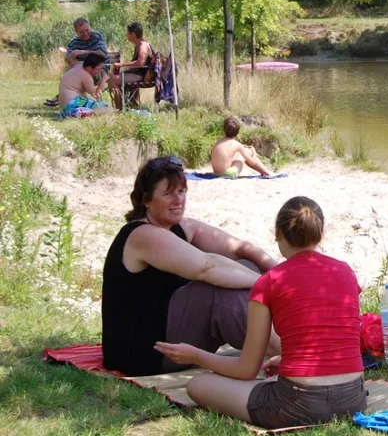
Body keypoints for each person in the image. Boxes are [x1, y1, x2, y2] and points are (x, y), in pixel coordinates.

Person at [156, 196, 366, 430]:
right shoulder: (346, 272)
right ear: (320, 232)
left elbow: (246, 370)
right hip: (354, 399)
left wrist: (195, 356)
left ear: (277, 233)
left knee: (198, 384)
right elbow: (334, 339)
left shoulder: (270, 282)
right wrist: (287, 360)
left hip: (296, 405)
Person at [101, 157, 281, 377]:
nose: (178, 200)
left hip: (171, 333)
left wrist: (284, 274)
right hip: (143, 353)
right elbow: (207, 268)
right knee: (218, 293)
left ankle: (295, 335)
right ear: (146, 200)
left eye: (182, 191)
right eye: (168, 194)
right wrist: (272, 284)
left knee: (248, 265)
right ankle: (295, 351)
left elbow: (241, 248)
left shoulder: (183, 227)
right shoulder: (142, 235)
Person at [45, 17, 108, 107]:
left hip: (96, 69)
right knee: (75, 73)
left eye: (87, 30)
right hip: (83, 69)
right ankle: (66, 97)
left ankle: (62, 97)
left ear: (90, 27)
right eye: (82, 32)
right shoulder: (74, 42)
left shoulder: (96, 37)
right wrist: (72, 60)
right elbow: (68, 57)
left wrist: (83, 52)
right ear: (76, 32)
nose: (85, 33)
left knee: (76, 75)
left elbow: (102, 54)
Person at [108, 21, 154, 109]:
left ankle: (120, 108)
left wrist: (122, 64)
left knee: (110, 78)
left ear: (132, 33)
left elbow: (140, 63)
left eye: (127, 33)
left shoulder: (142, 46)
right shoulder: (139, 44)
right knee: (114, 76)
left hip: (142, 76)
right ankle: (130, 103)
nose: (127, 35)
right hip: (138, 74)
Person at [57, 53, 110, 118]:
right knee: (106, 107)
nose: (99, 71)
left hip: (64, 107)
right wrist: (103, 80)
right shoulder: (86, 76)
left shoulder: (78, 66)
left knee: (102, 107)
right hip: (73, 106)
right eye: (98, 69)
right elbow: (96, 96)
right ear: (90, 68)